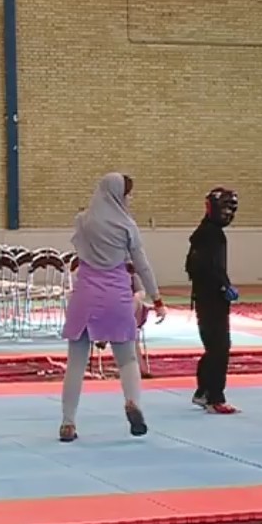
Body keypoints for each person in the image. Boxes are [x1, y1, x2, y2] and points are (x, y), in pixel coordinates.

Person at [59, 173, 166, 442]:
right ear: (119, 195)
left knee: (75, 364)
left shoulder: (82, 220)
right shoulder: (127, 226)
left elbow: (77, 253)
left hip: (85, 295)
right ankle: (132, 402)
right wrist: (156, 299)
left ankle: (67, 423)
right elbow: (142, 265)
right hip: (116, 295)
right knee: (127, 359)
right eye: (128, 194)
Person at [186, 187, 240, 414]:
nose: (228, 214)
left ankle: (203, 391)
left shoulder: (207, 232)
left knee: (214, 346)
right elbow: (204, 267)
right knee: (219, 347)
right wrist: (222, 286)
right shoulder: (210, 235)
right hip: (210, 299)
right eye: (225, 209)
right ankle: (215, 397)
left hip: (207, 297)